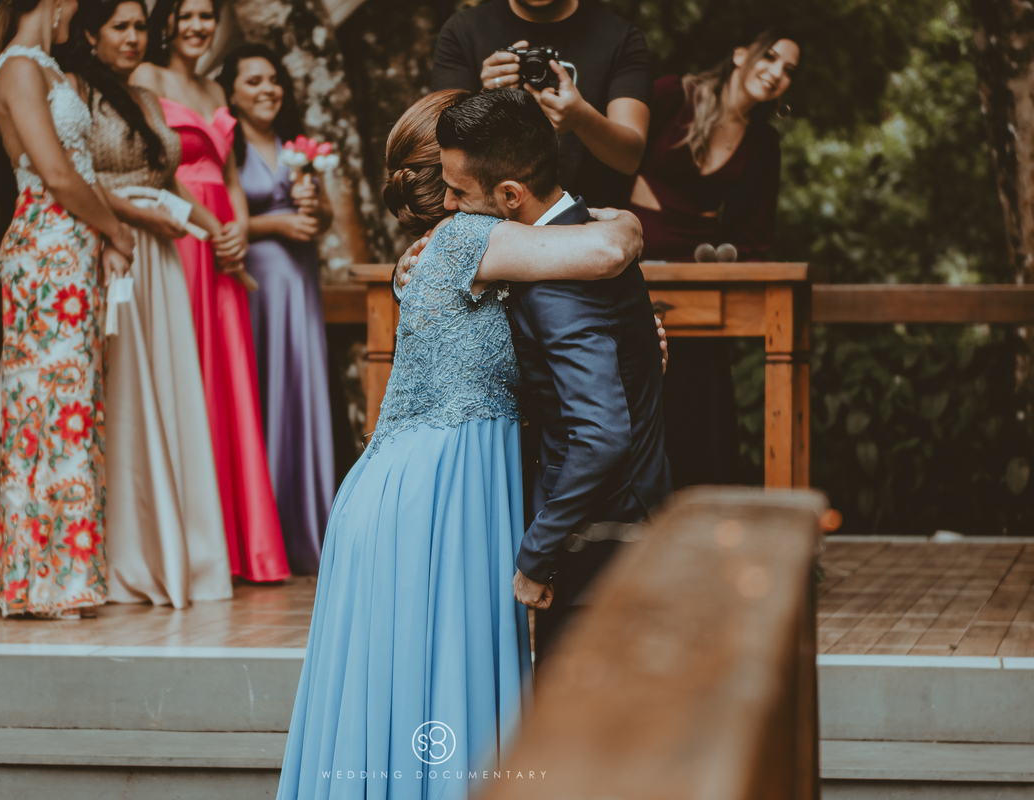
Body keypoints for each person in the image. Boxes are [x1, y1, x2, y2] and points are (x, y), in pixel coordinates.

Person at [276, 88, 644, 799]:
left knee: (408, 700)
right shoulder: (473, 238)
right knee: (444, 692)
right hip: (437, 497)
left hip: (418, 487)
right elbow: (604, 252)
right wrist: (628, 221)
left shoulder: (458, 249)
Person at [0, 0, 135, 618]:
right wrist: (116, 231)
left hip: (73, 244)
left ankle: (66, 575)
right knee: (49, 408)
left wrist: (104, 237)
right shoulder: (18, 68)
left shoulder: (44, 65)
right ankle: (40, 579)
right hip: (46, 242)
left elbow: (81, 170)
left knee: (76, 407)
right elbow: (58, 176)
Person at [69, 0, 236, 607]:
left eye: (141, 26)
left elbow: (166, 181)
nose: (135, 37)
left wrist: (216, 229)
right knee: (118, 400)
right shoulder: (76, 93)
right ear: (91, 33)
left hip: (160, 259)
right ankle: (116, 551)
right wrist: (135, 216)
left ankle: (166, 544)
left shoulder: (140, 99)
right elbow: (73, 175)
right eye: (121, 26)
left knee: (161, 398)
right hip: (109, 250)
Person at [133, 0, 290, 584]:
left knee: (229, 383)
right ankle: (194, 543)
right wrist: (210, 226)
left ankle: (239, 541)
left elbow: (229, 172)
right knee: (189, 378)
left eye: (207, 15)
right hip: (182, 233)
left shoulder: (212, 86)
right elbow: (157, 164)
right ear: (166, 20)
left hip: (225, 241)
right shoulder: (146, 78)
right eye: (188, 14)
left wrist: (239, 230)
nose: (199, 26)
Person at [631, 31, 799, 487]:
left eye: (788, 71)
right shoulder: (671, 94)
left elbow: (754, 233)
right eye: (771, 58)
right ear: (741, 53)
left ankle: (706, 508)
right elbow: (612, 157)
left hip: (699, 269)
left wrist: (736, 268)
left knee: (700, 393)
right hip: (631, 257)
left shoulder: (763, 142)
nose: (777, 73)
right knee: (634, 376)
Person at [218, 44, 334, 576]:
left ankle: (308, 530)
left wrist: (316, 210)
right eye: (253, 81)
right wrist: (276, 225)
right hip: (257, 283)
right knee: (263, 393)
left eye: (274, 80)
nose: (268, 89)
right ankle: (260, 535)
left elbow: (324, 215)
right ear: (232, 92)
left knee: (301, 392)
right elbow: (224, 215)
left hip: (302, 282)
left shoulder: (296, 146)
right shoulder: (228, 143)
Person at [431, 0, 652, 208]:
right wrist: (483, 97)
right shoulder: (463, 31)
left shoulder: (620, 38)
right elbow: (439, 146)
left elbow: (629, 158)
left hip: (590, 220)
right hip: (491, 220)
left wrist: (582, 119)